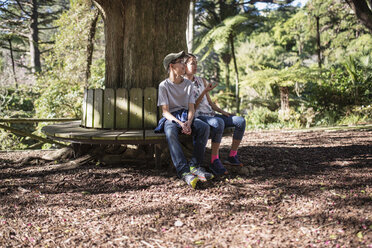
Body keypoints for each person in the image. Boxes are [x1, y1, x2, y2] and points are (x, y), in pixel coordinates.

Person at [156, 51, 214, 189]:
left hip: (186, 115)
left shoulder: (188, 84)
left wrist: (188, 121)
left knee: (203, 127)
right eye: (180, 62)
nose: (184, 65)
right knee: (170, 132)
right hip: (171, 118)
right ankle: (183, 171)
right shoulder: (163, 86)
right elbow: (165, 111)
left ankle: (195, 166)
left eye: (184, 62)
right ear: (172, 66)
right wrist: (179, 123)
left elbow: (191, 108)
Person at [184, 53, 246, 176]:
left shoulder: (202, 80)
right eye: (192, 63)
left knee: (240, 121)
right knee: (218, 122)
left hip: (211, 114)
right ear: (184, 66)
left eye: (196, 63)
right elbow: (192, 107)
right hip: (198, 116)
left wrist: (223, 112)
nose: (195, 66)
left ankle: (232, 156)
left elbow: (210, 103)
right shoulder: (183, 84)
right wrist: (204, 92)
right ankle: (214, 161)